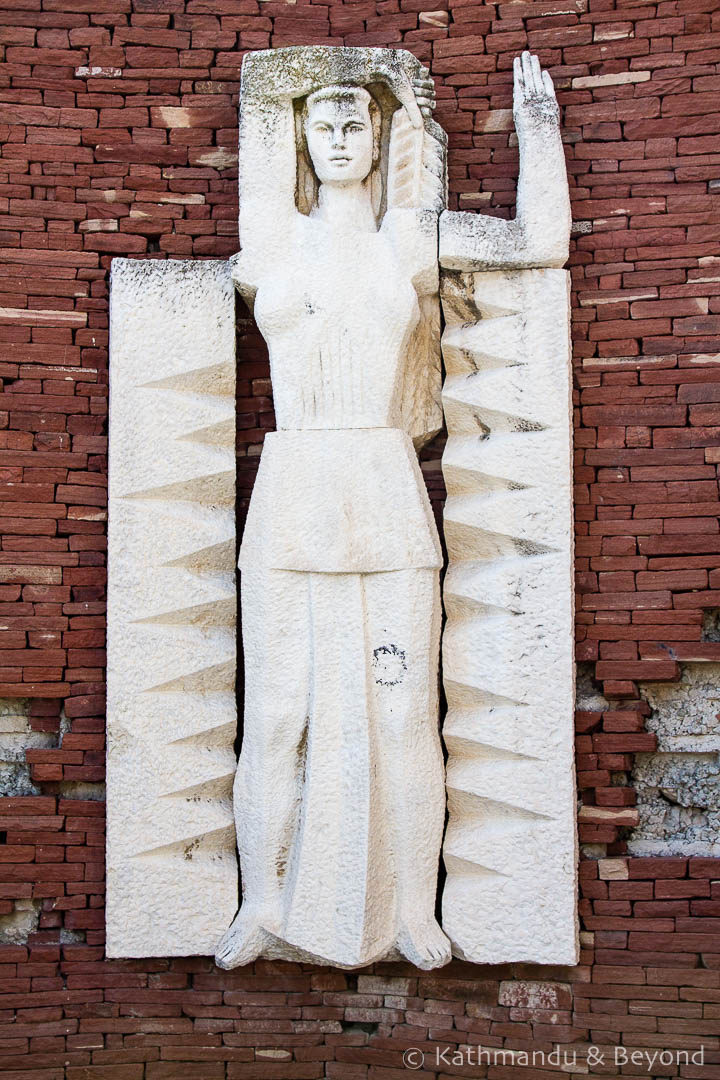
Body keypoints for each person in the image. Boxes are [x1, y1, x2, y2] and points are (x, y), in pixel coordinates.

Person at [215, 53, 451, 970]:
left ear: (381, 136)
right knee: (277, 713)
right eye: (326, 125)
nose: (342, 138)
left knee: (402, 716)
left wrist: (536, 134)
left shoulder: (406, 241)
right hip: (293, 481)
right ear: (304, 142)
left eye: (358, 123)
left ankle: (414, 911)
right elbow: (263, 97)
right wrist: (295, 91)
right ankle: (263, 902)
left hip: (384, 482)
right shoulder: (273, 242)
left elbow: (541, 238)